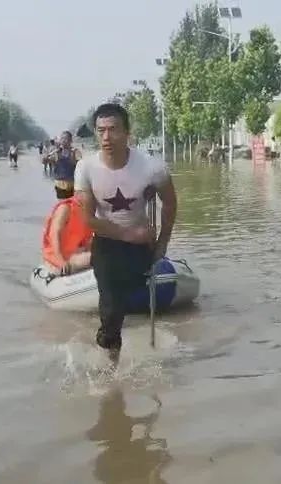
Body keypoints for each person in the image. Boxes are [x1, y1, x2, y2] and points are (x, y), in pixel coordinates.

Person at [75, 103, 178, 357]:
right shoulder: (86, 168)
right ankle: (111, 364)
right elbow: (87, 219)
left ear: (127, 133)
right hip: (107, 243)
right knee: (111, 309)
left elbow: (170, 203)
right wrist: (126, 234)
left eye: (113, 130)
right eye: (101, 131)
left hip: (141, 245)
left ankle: (117, 339)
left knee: (127, 294)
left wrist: (163, 242)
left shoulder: (152, 168)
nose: (107, 137)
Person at [41, 188, 94, 276]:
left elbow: (89, 240)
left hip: (76, 253)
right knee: (100, 257)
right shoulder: (65, 208)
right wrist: (60, 261)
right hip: (60, 257)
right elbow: (55, 234)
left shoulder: (89, 212)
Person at [53, 131, 82, 199]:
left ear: (70, 140)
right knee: (63, 205)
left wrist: (72, 156)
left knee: (73, 206)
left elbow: (80, 164)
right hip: (60, 184)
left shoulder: (75, 151)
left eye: (66, 138)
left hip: (73, 184)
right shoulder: (56, 152)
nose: (63, 140)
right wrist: (45, 158)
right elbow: (47, 160)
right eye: (62, 138)